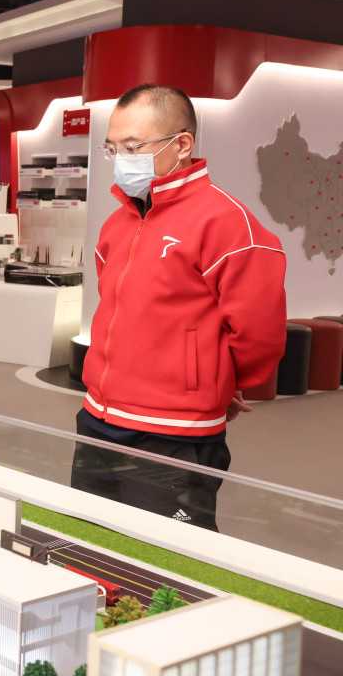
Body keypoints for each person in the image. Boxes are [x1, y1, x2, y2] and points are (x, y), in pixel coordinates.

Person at [75, 84, 286, 530]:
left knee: (166, 558)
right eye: (113, 148)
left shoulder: (227, 224)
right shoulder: (116, 224)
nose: (121, 159)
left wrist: (220, 382)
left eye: (133, 146)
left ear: (182, 144)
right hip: (98, 417)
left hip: (174, 432)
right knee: (88, 543)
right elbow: (114, 307)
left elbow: (259, 333)